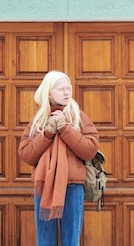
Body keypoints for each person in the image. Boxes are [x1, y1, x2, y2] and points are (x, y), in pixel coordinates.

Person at [18, 70, 99, 246]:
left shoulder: (78, 117)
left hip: (72, 188)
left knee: (71, 242)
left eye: (68, 88)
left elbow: (90, 150)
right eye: (61, 89)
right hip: (45, 187)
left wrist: (64, 128)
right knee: (45, 242)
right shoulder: (38, 121)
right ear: (49, 93)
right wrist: (47, 132)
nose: (66, 92)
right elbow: (27, 155)